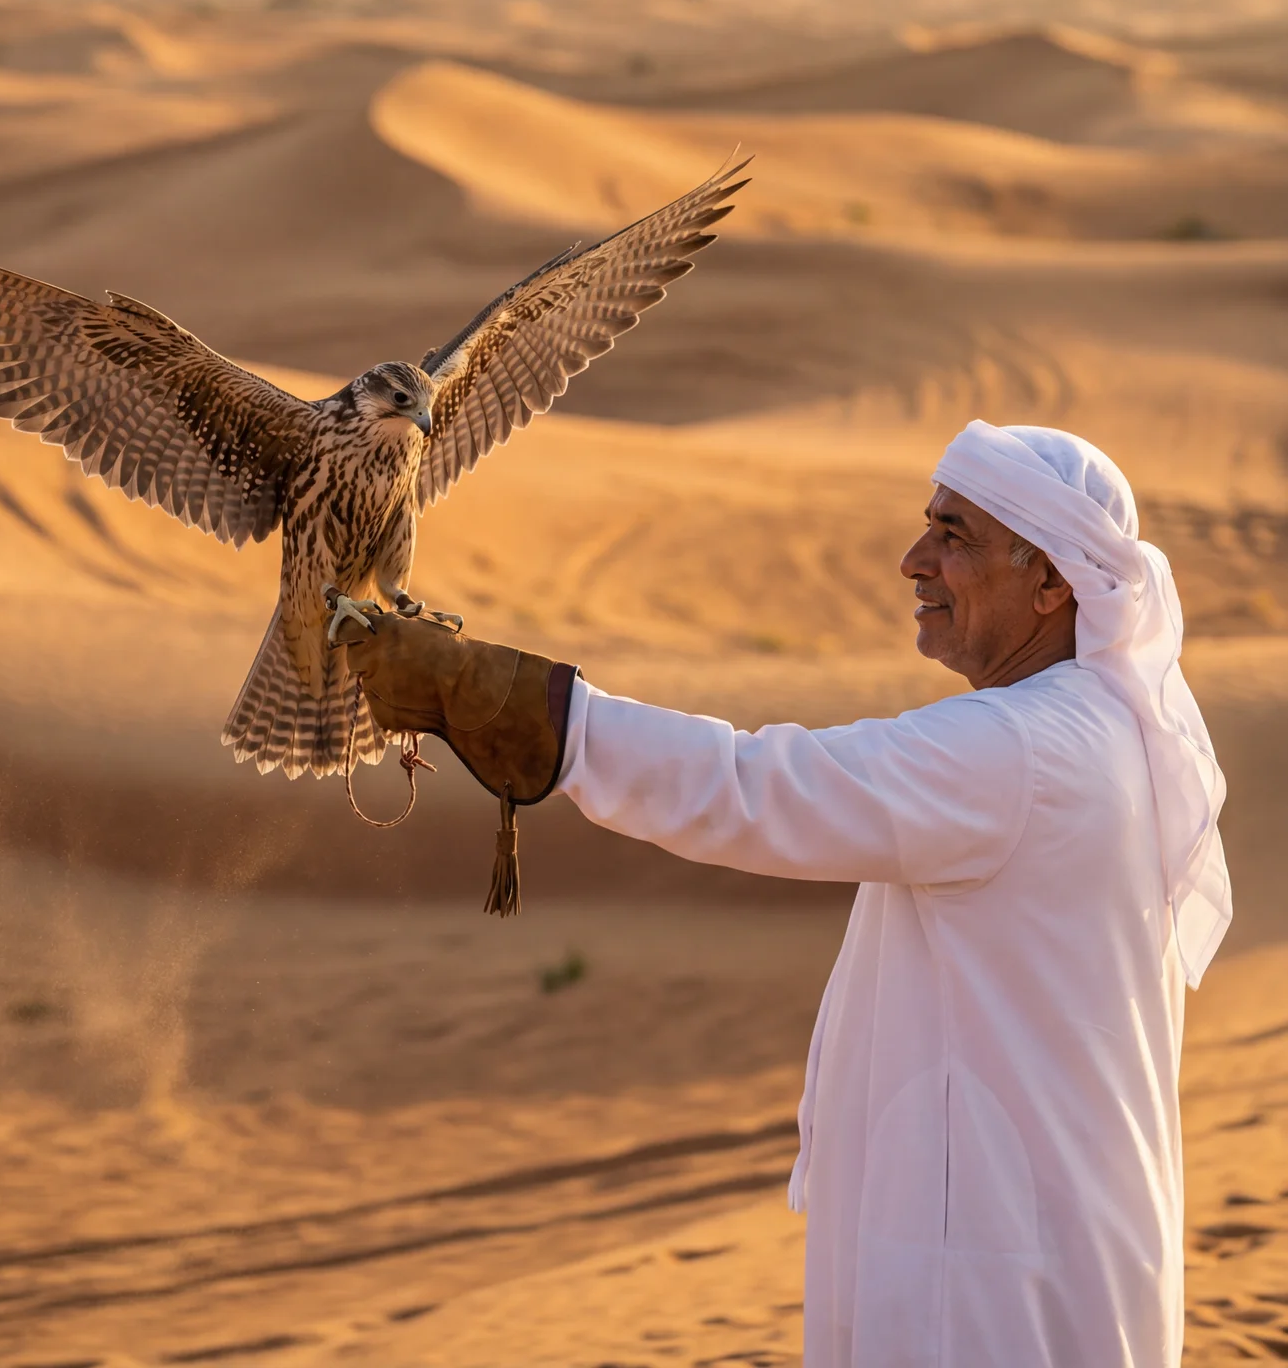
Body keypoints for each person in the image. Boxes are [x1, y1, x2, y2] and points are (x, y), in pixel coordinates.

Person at [334, 420, 1231, 1368]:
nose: (913, 560)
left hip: (989, 1281)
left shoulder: (1022, 750)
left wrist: (541, 718)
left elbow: (756, 789)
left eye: (954, 535)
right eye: (927, 524)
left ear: (1050, 581)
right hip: (1030, 1238)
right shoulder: (1098, 732)